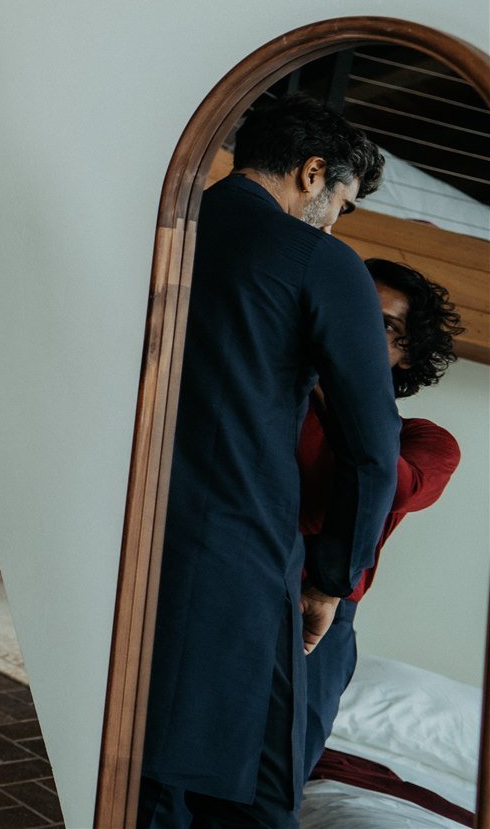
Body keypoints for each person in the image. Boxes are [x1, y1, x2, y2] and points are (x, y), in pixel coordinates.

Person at [141, 94, 400, 829]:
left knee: (142, 775)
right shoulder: (317, 259)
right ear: (313, 172)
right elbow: (371, 447)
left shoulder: (161, 225)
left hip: (130, 537)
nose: (337, 222)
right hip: (240, 552)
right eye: (342, 203)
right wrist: (333, 578)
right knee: (255, 793)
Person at [296, 257, 464, 778]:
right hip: (231, 584)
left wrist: (341, 387)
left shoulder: (426, 440)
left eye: (385, 326)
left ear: (406, 356)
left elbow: (392, 482)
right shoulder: (281, 400)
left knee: (271, 786)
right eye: (351, 310)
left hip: (319, 618)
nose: (358, 331)